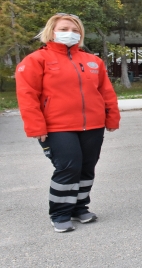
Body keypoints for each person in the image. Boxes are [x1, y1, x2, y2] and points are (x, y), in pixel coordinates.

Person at [15, 13, 120, 233]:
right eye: (63, 29)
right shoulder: (36, 60)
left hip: (92, 125)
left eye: (75, 30)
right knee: (68, 167)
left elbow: (106, 92)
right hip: (57, 126)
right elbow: (27, 95)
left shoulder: (93, 61)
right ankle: (60, 213)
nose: (70, 34)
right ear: (51, 32)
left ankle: (80, 207)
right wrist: (36, 127)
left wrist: (111, 117)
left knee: (86, 168)